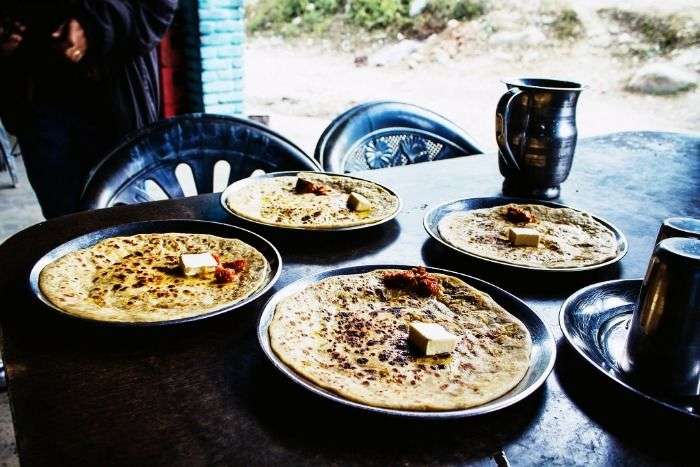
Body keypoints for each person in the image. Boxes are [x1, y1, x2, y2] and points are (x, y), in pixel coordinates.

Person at [0, 0, 177, 218]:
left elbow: (158, 8)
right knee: (62, 224)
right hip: (35, 99)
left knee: (127, 218)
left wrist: (95, 24)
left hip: (114, 101)